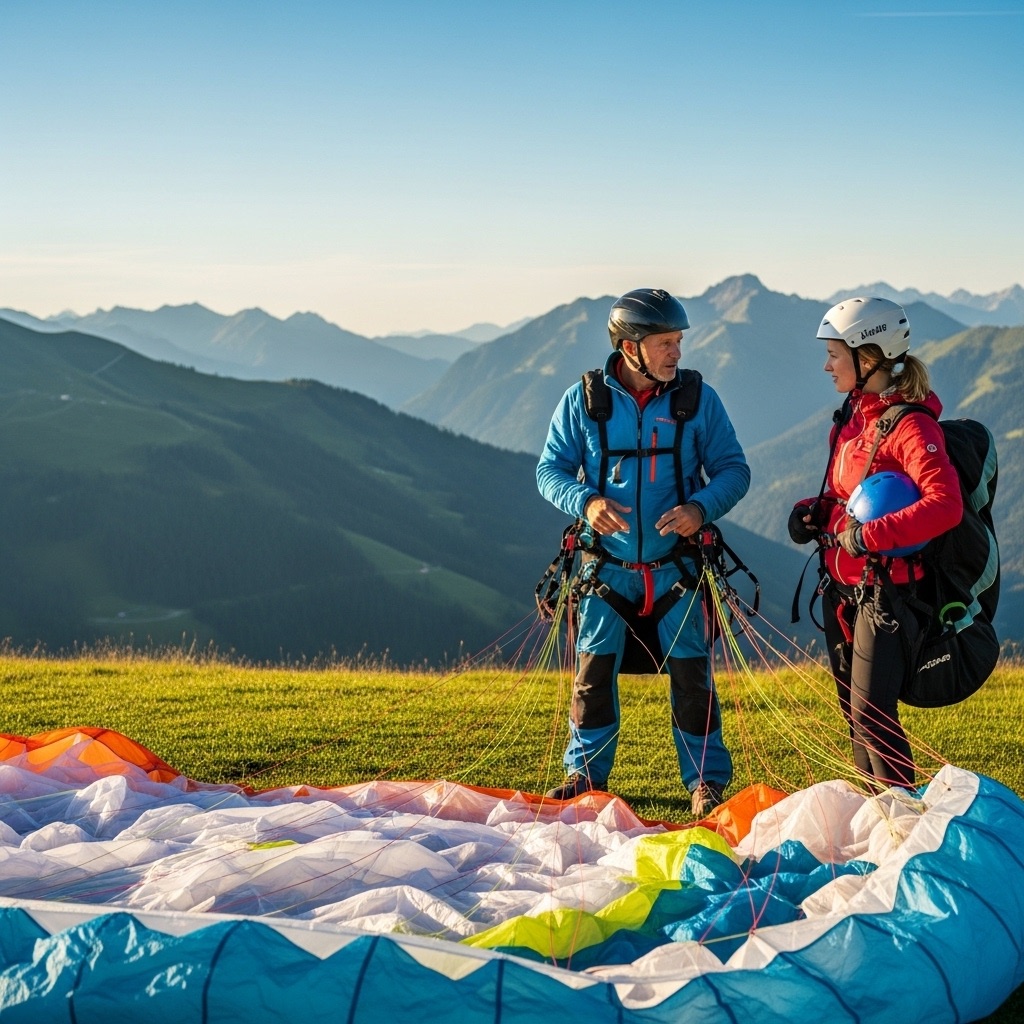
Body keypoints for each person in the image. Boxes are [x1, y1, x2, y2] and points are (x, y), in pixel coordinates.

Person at [536, 288, 750, 815]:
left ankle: (705, 782)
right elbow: (550, 471)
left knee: (692, 678)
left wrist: (699, 509)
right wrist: (585, 503)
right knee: (593, 676)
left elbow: (734, 470)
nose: (676, 353)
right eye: (663, 343)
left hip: (676, 568)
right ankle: (584, 776)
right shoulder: (583, 401)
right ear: (630, 346)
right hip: (604, 569)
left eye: (677, 341)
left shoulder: (699, 401)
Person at [788, 296, 962, 789]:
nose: (826, 365)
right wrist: (814, 511)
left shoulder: (911, 425)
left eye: (834, 354)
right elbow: (852, 494)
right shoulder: (853, 418)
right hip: (841, 585)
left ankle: (905, 831)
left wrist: (866, 535)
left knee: (872, 714)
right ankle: (877, 819)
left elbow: (944, 505)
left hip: (887, 591)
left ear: (868, 358)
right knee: (855, 717)